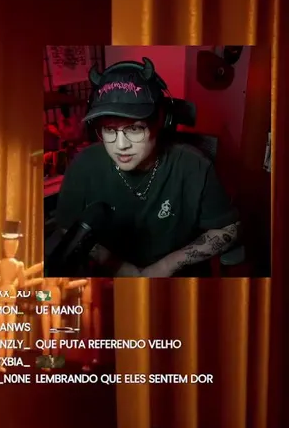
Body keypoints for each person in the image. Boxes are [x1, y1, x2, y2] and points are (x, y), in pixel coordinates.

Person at [53, 57, 239, 277]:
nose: (121, 146)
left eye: (135, 129)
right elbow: (67, 226)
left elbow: (228, 229)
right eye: (109, 130)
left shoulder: (195, 165)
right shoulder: (84, 164)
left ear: (161, 121)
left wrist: (167, 266)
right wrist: (117, 266)